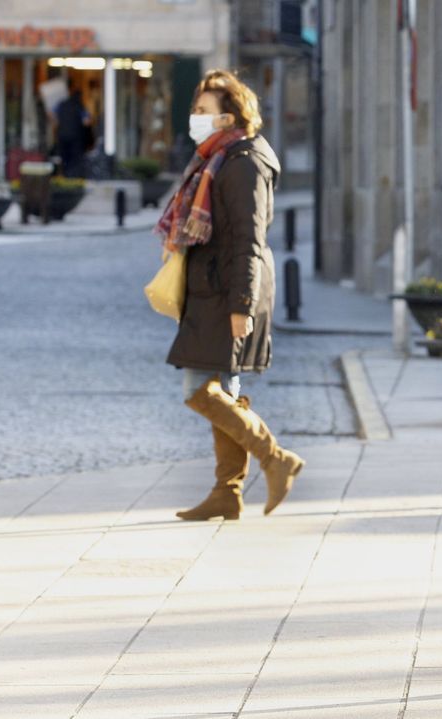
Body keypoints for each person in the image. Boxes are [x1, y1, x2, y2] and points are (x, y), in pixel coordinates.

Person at [156, 69, 304, 522]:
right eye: (194, 109)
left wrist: (242, 306)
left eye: (202, 111)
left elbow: (248, 240)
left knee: (200, 390)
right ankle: (227, 491)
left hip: (229, 291)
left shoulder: (243, 163)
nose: (194, 118)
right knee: (225, 388)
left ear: (228, 115)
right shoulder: (217, 157)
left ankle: (276, 458)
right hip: (213, 288)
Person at [55, 90, 90, 178]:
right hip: (75, 137)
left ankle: (65, 177)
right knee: (75, 160)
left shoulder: (61, 104)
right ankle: (74, 178)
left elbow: (52, 115)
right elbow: (86, 121)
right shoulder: (79, 106)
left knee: (65, 159)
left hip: (62, 136)